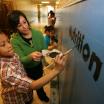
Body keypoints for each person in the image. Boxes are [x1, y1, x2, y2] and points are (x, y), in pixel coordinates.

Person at [0, 30, 67, 104]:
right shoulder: (7, 72)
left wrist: (30, 56)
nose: (9, 45)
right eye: (3, 45)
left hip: (27, 94)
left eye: (8, 41)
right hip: (18, 100)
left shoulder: (12, 54)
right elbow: (33, 85)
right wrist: (56, 70)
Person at [7, 10, 49, 102]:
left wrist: (43, 54)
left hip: (38, 67)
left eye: (24, 22)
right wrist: (30, 56)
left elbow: (45, 49)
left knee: (39, 85)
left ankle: (42, 95)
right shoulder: (14, 41)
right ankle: (28, 99)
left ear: (27, 20)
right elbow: (21, 59)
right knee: (26, 88)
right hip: (25, 70)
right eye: (19, 25)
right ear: (15, 28)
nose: (24, 27)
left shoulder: (38, 34)